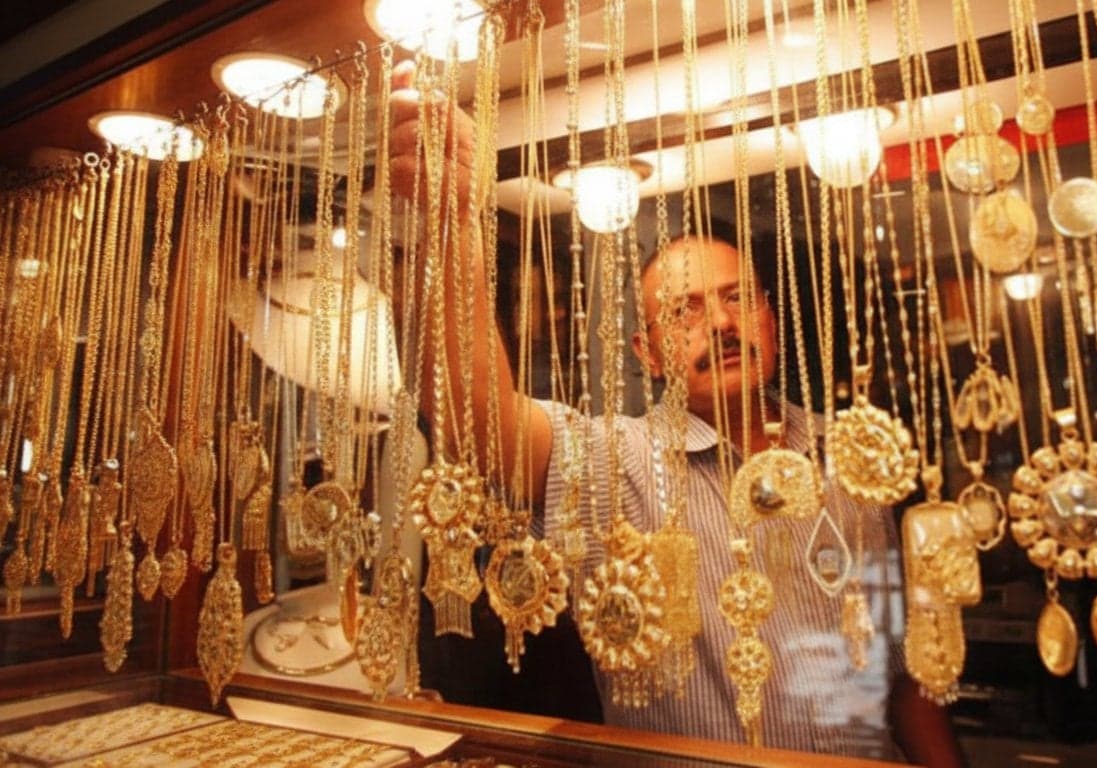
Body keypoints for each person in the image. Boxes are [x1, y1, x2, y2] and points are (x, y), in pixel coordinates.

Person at [388, 61, 965, 766]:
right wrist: (450, 221)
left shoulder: (849, 459)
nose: (719, 324)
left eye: (736, 299)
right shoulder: (612, 465)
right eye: (683, 311)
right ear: (649, 353)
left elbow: (903, 675)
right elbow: (474, 423)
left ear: (771, 324)